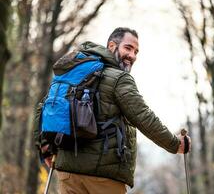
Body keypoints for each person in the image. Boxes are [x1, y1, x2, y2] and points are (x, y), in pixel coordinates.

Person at [34, 27, 191, 194]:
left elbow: (42, 109)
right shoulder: (120, 78)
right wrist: (175, 144)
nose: (132, 56)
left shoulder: (73, 73)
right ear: (111, 46)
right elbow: (143, 116)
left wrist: (45, 149)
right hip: (102, 178)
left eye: (136, 51)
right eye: (128, 48)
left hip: (67, 174)